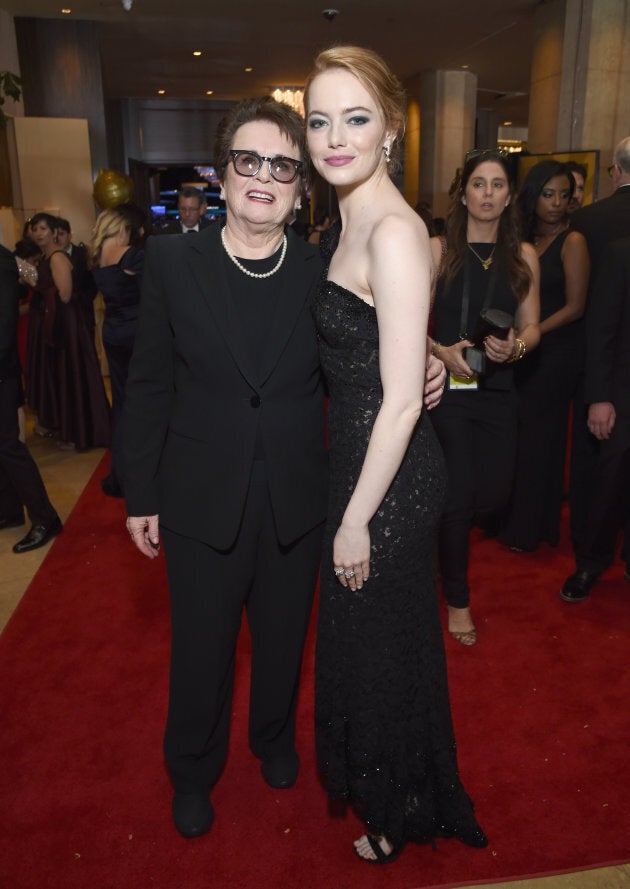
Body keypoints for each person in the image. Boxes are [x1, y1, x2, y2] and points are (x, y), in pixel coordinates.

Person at [123, 95, 446, 841]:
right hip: (201, 497)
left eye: (282, 165)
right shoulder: (175, 260)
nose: (263, 176)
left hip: (300, 496)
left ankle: (272, 738)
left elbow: (368, 337)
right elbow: (148, 382)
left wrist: (425, 362)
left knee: (280, 641)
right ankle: (194, 770)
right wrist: (141, 489)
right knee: (200, 651)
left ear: (300, 185)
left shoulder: (318, 267)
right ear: (224, 169)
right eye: (248, 159)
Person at [304, 45, 486, 864]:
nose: (333, 136)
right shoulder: (345, 216)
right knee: (367, 648)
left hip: (390, 485)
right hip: (360, 463)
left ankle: (402, 805)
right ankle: (392, 788)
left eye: (355, 118)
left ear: (390, 133)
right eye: (318, 119)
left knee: (383, 655)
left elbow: (407, 397)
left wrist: (354, 521)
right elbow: (393, 361)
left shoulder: (396, 230)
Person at [428, 151, 540, 645]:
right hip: (448, 388)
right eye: (479, 183)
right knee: (458, 495)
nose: (488, 193)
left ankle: (434, 538)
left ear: (509, 195)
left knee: (492, 494)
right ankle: (457, 598)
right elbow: (402, 318)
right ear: (464, 193)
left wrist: (515, 345)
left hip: (498, 388)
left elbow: (533, 326)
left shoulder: (525, 256)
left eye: (498, 184)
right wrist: (439, 350)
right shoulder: (437, 250)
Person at [499, 160, 588, 552]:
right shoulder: (525, 242)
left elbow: (576, 307)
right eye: (548, 194)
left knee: (541, 440)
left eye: (563, 195)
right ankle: (518, 520)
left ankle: (530, 529)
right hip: (526, 350)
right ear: (533, 197)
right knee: (522, 437)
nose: (555, 203)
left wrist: (531, 331)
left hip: (557, 353)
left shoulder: (573, 242)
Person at [568, 136, 630, 565]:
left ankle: (593, 550)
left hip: (598, 368)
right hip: (610, 373)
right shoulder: (614, 247)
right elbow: (603, 319)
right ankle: (593, 558)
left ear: (614, 171)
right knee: (605, 468)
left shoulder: (589, 220)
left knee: (600, 472)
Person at [560, 236, 630, 600]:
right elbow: (601, 329)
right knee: (610, 482)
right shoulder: (621, 251)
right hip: (622, 394)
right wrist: (600, 397)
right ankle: (590, 563)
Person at [29, 212, 110, 450]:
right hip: (60, 322)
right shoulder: (46, 257)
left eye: (44, 228)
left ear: (55, 232)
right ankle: (70, 430)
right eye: (36, 229)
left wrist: (41, 289)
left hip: (66, 325)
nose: (39, 233)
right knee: (65, 377)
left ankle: (79, 434)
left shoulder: (57, 257)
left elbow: (64, 294)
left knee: (72, 375)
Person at [0, 241, 62, 553]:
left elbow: (4, 325)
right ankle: (9, 511)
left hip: (1, 373)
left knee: (10, 446)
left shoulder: (2, 262)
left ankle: (45, 518)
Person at [90, 205, 144, 497]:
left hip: (112, 332)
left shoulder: (98, 258)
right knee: (142, 403)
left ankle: (120, 473)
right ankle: (139, 474)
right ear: (121, 228)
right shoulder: (131, 255)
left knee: (122, 403)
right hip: (136, 334)